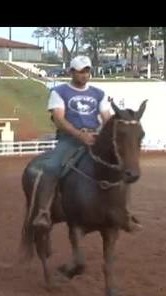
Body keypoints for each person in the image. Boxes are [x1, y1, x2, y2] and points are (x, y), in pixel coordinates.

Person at [31, 55, 141, 232]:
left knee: (121, 167)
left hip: (95, 139)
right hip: (69, 139)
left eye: (87, 71)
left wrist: (103, 135)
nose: (84, 75)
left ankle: (124, 211)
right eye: (80, 71)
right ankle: (43, 211)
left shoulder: (98, 93)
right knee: (51, 166)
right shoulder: (59, 92)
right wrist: (78, 135)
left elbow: (106, 118)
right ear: (71, 72)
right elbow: (59, 119)